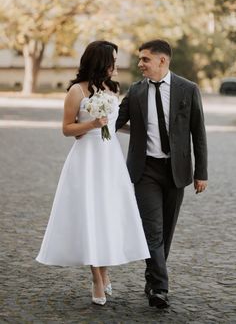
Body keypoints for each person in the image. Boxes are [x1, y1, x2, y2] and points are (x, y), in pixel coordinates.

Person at [36, 40, 150, 306]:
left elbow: (113, 124)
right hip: (87, 160)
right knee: (90, 214)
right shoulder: (76, 91)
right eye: (113, 59)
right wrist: (91, 124)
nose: (117, 64)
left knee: (107, 214)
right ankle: (97, 279)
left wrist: (141, 131)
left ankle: (105, 271)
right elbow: (66, 129)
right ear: (101, 62)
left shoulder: (112, 89)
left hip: (110, 159)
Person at [116, 39, 208, 309]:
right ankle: (160, 289)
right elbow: (115, 122)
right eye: (140, 59)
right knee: (152, 230)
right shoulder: (135, 91)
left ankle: (152, 276)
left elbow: (198, 134)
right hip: (145, 170)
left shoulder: (188, 89)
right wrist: (86, 122)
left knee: (166, 232)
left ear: (162, 61)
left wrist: (201, 172)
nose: (140, 64)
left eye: (145, 59)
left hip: (176, 171)